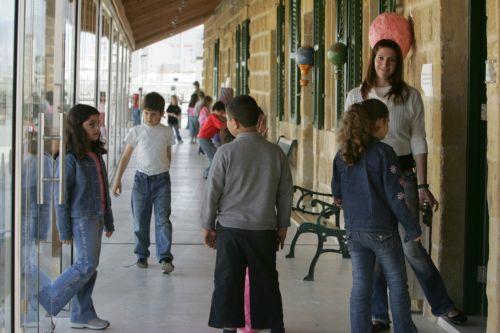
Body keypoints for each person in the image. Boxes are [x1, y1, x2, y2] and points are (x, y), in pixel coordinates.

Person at [345, 38, 467, 330]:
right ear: (372, 59)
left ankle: (442, 305)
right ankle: (378, 315)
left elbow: (417, 139)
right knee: (374, 247)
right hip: (367, 178)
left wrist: (423, 185)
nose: (384, 64)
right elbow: (347, 139)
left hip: (402, 174)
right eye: (380, 58)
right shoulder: (355, 95)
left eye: (391, 60)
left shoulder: (409, 96)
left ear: (398, 64)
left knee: (412, 246)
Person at [201, 95, 293, 333]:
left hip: (230, 230)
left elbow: (212, 192)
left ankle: (229, 328)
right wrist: (282, 226)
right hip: (263, 230)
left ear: (234, 123)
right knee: (266, 281)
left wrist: (207, 224)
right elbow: (285, 193)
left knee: (228, 280)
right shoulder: (275, 153)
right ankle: (274, 326)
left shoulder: (225, 152)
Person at [333, 99, 420, 333]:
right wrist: (413, 228)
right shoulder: (384, 153)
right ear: (378, 122)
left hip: (354, 230)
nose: (388, 126)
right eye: (387, 121)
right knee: (397, 284)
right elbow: (396, 196)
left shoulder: (342, 153)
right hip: (382, 231)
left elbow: (337, 195)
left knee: (361, 287)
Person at [38, 104, 114, 330]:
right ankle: (50, 298)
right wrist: (64, 230)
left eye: (98, 124)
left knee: (90, 266)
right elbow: (60, 197)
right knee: (86, 264)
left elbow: (103, 190)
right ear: (77, 127)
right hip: (81, 218)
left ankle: (82, 315)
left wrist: (108, 220)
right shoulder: (69, 158)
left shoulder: (95, 154)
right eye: (91, 124)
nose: (96, 129)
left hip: (97, 216)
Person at [112, 92, 175, 274]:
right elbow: (125, 157)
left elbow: (168, 152)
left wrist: (165, 168)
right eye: (146, 113)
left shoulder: (166, 131)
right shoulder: (137, 131)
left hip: (162, 180)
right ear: (142, 112)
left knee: (163, 219)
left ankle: (165, 257)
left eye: (154, 114)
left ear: (162, 113)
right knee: (140, 219)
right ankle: (141, 254)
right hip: (141, 180)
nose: (149, 117)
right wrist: (117, 180)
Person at [197, 101, 227, 179]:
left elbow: (220, 131)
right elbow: (221, 126)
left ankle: (209, 173)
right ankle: (207, 173)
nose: (223, 114)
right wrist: (229, 122)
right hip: (204, 139)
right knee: (214, 157)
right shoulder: (213, 116)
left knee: (214, 157)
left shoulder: (215, 117)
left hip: (205, 139)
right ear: (217, 110)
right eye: (222, 112)